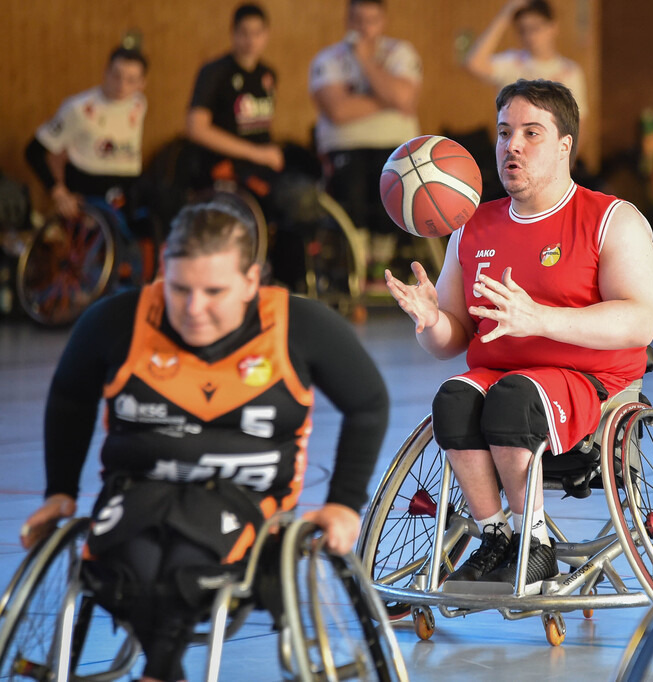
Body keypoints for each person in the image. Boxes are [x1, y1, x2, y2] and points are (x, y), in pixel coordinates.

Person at [18, 201, 390, 682]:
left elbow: (369, 404)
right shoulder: (116, 322)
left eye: (214, 291)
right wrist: (59, 492)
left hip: (247, 499)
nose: (194, 308)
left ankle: (160, 669)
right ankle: (164, 668)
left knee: (187, 568)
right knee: (126, 568)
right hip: (137, 492)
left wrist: (345, 503)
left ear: (252, 281)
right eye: (179, 289)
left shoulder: (300, 326)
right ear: (161, 276)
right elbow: (69, 399)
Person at [385, 78, 653, 588]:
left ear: (564, 147)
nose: (513, 145)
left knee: (513, 399)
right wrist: (429, 321)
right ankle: (497, 535)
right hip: (505, 375)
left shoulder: (612, 219)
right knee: (453, 398)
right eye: (505, 132)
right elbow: (452, 338)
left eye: (531, 133)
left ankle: (536, 543)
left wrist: (541, 319)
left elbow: (640, 320)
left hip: (592, 382)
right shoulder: (472, 226)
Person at [309, 0, 422, 284]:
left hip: (397, 149)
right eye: (358, 20)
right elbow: (338, 111)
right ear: (348, 21)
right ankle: (355, 262)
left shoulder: (401, 53)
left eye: (372, 20)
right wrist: (388, 99)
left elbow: (405, 98)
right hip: (344, 150)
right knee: (354, 187)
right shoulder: (328, 59)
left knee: (395, 186)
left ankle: (383, 263)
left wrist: (367, 63)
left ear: (383, 21)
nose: (365, 28)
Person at [24, 45, 156, 277]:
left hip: (128, 189)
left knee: (163, 214)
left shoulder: (139, 103)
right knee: (114, 236)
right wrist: (59, 192)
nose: (122, 86)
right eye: (116, 76)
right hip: (92, 192)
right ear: (105, 72)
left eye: (131, 80)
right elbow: (33, 152)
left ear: (142, 83)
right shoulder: (78, 109)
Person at [463, 0, 592, 174]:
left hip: (552, 164)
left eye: (535, 28)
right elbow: (473, 63)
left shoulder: (569, 72)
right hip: (512, 161)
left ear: (553, 27)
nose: (530, 36)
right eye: (523, 30)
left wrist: (563, 163)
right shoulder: (512, 63)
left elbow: (580, 123)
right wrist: (506, 13)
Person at [185, 3, 282, 192]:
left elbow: (260, 127)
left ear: (266, 34)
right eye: (244, 33)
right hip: (223, 167)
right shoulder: (214, 72)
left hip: (261, 166)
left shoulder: (268, 74)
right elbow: (196, 128)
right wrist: (255, 153)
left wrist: (267, 154)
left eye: (257, 33)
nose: (250, 40)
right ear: (233, 33)